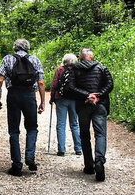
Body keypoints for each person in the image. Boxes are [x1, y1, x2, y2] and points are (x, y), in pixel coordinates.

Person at [0, 38, 45, 177]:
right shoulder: (35, 60)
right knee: (32, 128)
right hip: (30, 95)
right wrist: (42, 101)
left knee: (14, 130)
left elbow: (0, 79)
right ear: (27, 48)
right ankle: (30, 156)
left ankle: (16, 164)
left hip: (14, 95)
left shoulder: (7, 59)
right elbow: (41, 82)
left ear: (15, 47)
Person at [67, 47, 114, 182]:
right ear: (92, 57)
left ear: (80, 57)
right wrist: (98, 96)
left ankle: (89, 165)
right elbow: (110, 85)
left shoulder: (74, 70)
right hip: (99, 105)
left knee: (84, 135)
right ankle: (99, 161)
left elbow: (71, 87)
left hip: (83, 106)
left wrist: (87, 95)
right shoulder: (102, 68)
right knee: (100, 134)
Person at [49, 53, 81, 157]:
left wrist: (52, 97)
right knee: (75, 124)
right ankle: (78, 148)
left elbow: (54, 84)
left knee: (61, 124)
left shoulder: (60, 69)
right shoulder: (78, 70)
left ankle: (61, 149)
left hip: (61, 99)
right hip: (74, 99)